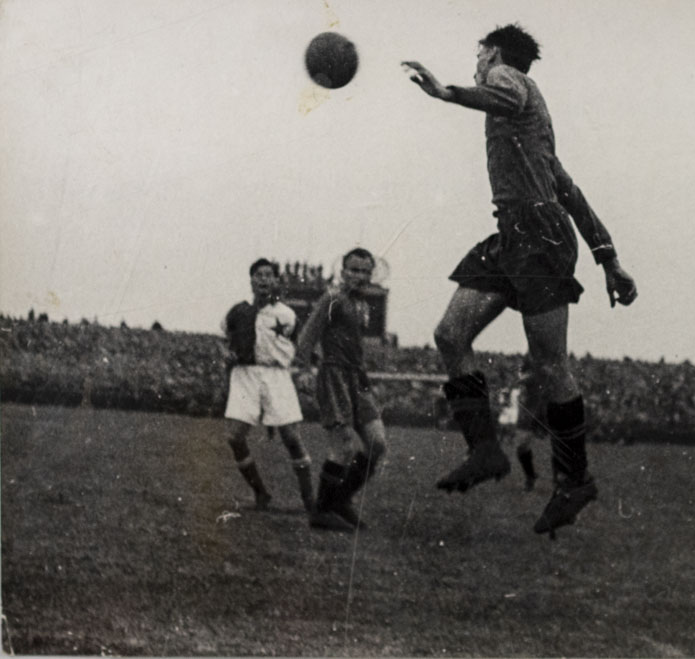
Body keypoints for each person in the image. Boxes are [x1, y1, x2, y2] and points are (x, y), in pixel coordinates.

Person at [403, 24, 637, 536]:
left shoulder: (509, 82)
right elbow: (569, 189)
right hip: (514, 235)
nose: (477, 60)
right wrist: (609, 259)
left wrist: (446, 94)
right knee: (450, 334)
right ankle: (486, 450)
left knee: (551, 365)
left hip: (540, 240)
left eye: (479, 52)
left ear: (493, 53)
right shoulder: (532, 129)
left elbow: (502, 93)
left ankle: (574, 480)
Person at [295, 248, 388, 532]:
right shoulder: (332, 298)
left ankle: (341, 500)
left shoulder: (362, 305)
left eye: (365, 271)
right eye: (354, 270)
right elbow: (308, 334)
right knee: (344, 446)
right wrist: (302, 368)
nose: (359, 276)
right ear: (343, 271)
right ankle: (322, 511)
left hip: (357, 379)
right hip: (334, 376)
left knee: (376, 444)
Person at [221, 258, 314, 513]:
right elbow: (225, 341)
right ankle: (261, 494)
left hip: (277, 375)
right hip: (245, 375)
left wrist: (305, 371)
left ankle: (310, 501)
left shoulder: (286, 314)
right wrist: (227, 354)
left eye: (268, 275)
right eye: (258, 275)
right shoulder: (237, 312)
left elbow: (303, 345)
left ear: (276, 281)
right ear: (251, 280)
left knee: (292, 438)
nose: (263, 279)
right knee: (234, 436)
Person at [496, 357, 545, 491]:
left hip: (532, 417)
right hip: (530, 416)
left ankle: (531, 477)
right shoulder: (533, 378)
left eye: (522, 367)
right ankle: (531, 476)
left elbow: (521, 381)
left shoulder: (532, 377)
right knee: (522, 448)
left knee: (521, 448)